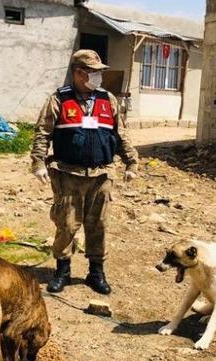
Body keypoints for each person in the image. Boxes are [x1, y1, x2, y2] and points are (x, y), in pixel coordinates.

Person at [30, 50, 140, 295]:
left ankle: (96, 272)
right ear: (79, 73)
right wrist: (38, 162)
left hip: (101, 174)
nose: (99, 76)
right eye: (94, 72)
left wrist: (132, 162)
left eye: (100, 72)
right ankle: (63, 270)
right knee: (67, 224)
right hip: (68, 174)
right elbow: (43, 132)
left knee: (99, 224)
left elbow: (120, 133)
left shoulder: (107, 99)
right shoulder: (59, 99)